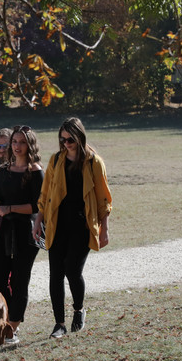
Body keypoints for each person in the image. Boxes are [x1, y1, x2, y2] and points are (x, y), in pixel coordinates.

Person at [33, 117, 112, 339]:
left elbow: (103, 199)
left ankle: (79, 309)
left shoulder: (93, 162)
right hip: (57, 224)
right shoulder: (56, 160)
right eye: (62, 139)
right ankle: (59, 324)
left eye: (70, 139)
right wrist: (38, 221)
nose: (66, 143)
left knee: (72, 270)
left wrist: (104, 228)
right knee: (55, 274)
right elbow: (45, 194)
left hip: (82, 224)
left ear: (79, 137)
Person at [0, 125, 44, 345]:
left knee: (20, 280)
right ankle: (4, 319)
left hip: (26, 232)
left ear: (30, 145)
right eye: (15, 142)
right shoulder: (6, 169)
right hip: (3, 230)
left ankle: (13, 327)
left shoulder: (36, 170)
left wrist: (10, 209)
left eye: (21, 142)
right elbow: (2, 197)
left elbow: (37, 206)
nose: (17, 146)